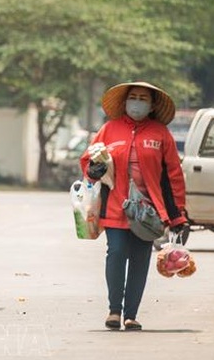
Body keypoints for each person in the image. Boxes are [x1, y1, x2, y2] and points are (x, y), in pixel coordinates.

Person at [80, 81, 187, 331]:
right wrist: (92, 168)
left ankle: (131, 315)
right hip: (115, 206)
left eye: (143, 98)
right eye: (133, 97)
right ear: (125, 102)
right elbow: (88, 161)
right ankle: (114, 310)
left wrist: (178, 214)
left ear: (151, 106)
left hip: (149, 211)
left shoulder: (161, 134)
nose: (137, 102)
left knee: (140, 260)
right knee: (116, 253)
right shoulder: (109, 129)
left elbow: (174, 175)